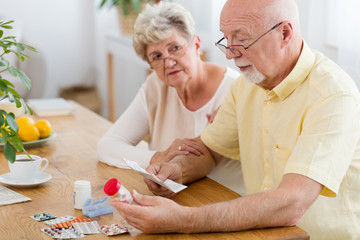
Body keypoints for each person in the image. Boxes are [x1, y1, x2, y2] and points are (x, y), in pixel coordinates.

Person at [110, 0, 360, 239]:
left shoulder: (333, 94)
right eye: (226, 39)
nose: (229, 54)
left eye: (241, 40)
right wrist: (175, 171)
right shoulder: (247, 85)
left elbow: (293, 203)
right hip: (259, 232)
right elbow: (209, 149)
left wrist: (183, 219)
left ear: (284, 33)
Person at [97, 2, 244, 195]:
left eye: (174, 47)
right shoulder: (155, 87)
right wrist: (158, 157)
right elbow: (107, 146)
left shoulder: (235, 89)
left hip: (224, 203)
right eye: (157, 56)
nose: (169, 62)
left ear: (196, 45)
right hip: (172, 201)